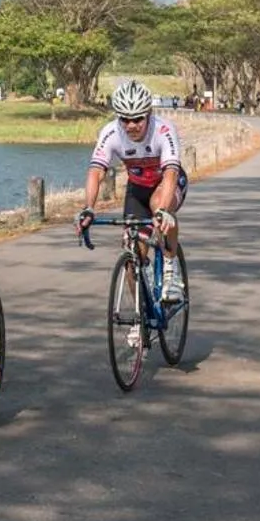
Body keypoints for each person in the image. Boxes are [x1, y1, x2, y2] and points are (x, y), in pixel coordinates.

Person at [76, 81, 188, 348]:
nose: (131, 126)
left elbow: (171, 172)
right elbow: (96, 171)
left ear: (147, 113)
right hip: (137, 189)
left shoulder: (163, 129)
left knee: (159, 204)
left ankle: (171, 270)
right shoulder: (111, 133)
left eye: (137, 119)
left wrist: (163, 212)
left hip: (168, 183)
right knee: (131, 252)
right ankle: (141, 314)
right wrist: (88, 207)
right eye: (125, 119)